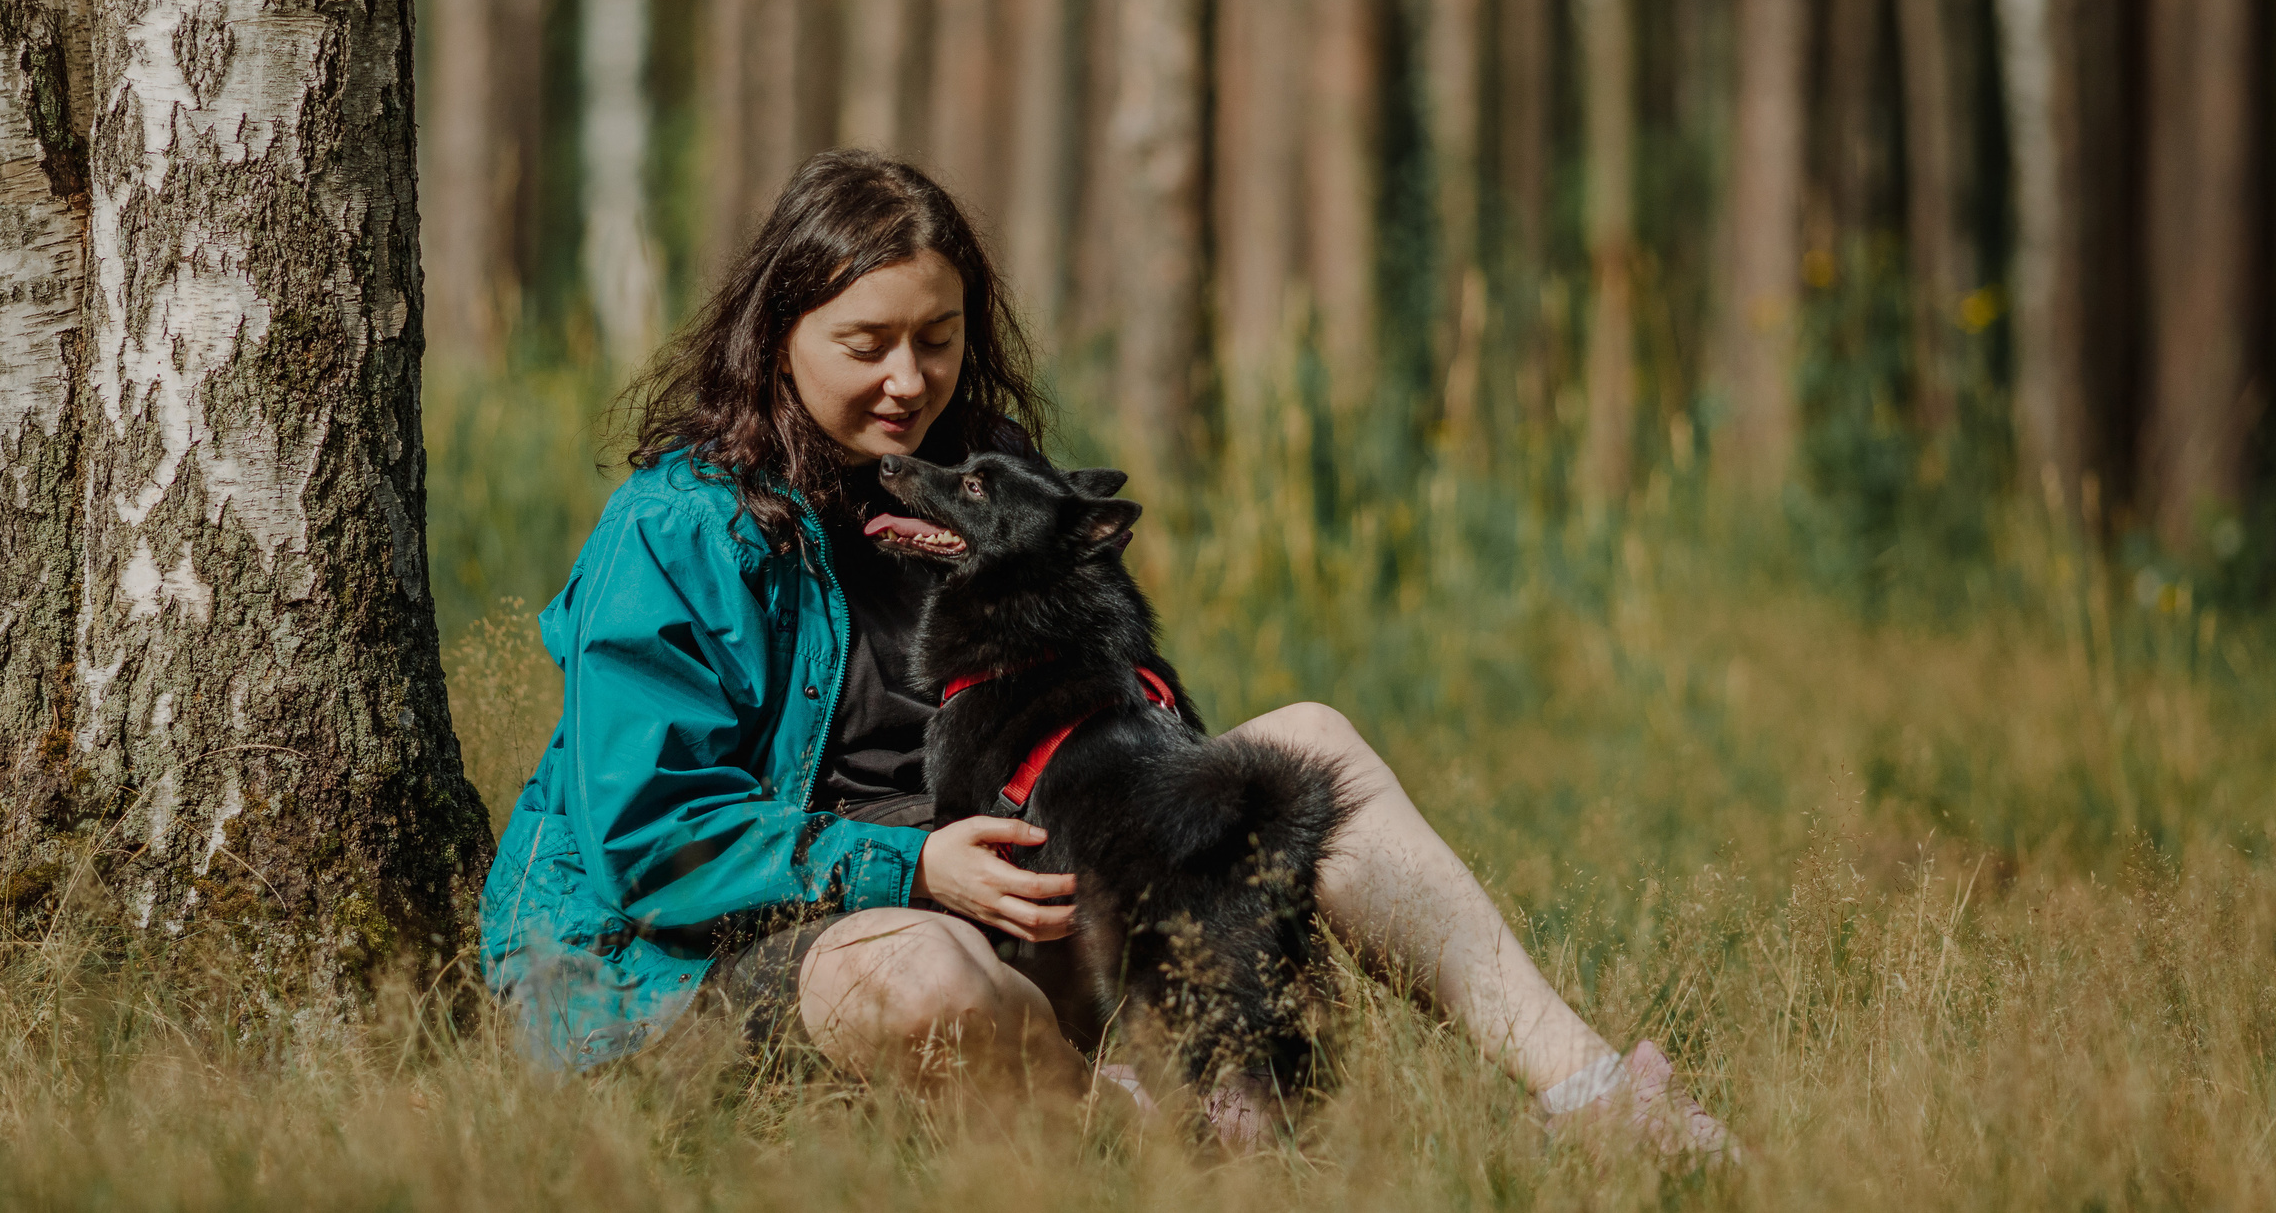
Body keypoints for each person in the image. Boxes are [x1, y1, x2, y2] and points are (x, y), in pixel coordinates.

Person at [481, 150, 1731, 1157]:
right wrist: (910, 865)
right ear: (779, 333)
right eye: (866, 343)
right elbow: (654, 843)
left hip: (1014, 896)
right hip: (688, 966)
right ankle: (1127, 1166)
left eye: (940, 337)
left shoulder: (991, 484)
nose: (909, 380)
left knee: (1304, 745)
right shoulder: (679, 525)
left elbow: (1135, 717)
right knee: (918, 975)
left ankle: (1592, 1099)